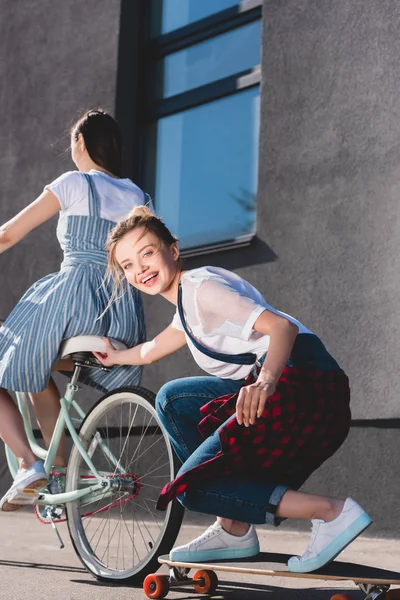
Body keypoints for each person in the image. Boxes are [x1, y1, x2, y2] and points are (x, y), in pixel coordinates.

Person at [94, 206, 372, 574]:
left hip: (303, 381)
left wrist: (266, 381)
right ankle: (234, 528)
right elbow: (151, 350)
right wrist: (114, 357)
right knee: (173, 399)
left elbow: (282, 329)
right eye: (128, 264)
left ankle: (331, 513)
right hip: (304, 383)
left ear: (172, 250)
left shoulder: (202, 291)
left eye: (146, 253)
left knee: (192, 487)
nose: (139, 269)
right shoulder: (186, 307)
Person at [0, 109, 149, 511]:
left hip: (73, 300)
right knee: (33, 369)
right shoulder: (138, 196)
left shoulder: (72, 183)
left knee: (8, 357)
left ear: (80, 143)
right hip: (119, 312)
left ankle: (30, 464)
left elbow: (8, 233)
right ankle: (55, 469)